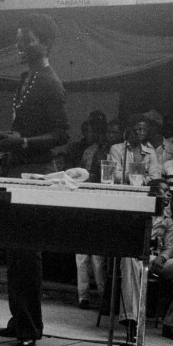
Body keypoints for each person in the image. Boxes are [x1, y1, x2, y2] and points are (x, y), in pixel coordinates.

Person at [0, 14, 70, 346]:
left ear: (44, 43)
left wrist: (19, 142)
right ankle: (19, 319)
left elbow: (62, 134)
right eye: (17, 39)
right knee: (16, 248)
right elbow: (29, 131)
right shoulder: (27, 79)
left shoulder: (50, 81)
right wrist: (4, 137)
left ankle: (31, 327)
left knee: (27, 249)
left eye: (26, 40)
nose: (19, 45)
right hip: (18, 170)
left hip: (36, 172)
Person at [120, 181, 173, 341]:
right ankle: (131, 320)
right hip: (138, 255)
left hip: (160, 259)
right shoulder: (157, 209)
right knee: (129, 260)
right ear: (172, 197)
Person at [74, 119, 108, 309]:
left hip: (102, 204)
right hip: (85, 201)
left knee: (97, 257)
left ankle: (103, 296)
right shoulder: (88, 151)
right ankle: (83, 296)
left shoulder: (114, 151)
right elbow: (80, 175)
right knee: (81, 254)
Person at [109, 116, 161, 184]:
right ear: (130, 130)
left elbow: (154, 178)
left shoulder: (150, 152)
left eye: (145, 130)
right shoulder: (117, 149)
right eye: (139, 129)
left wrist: (135, 178)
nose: (142, 133)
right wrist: (139, 177)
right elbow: (115, 174)